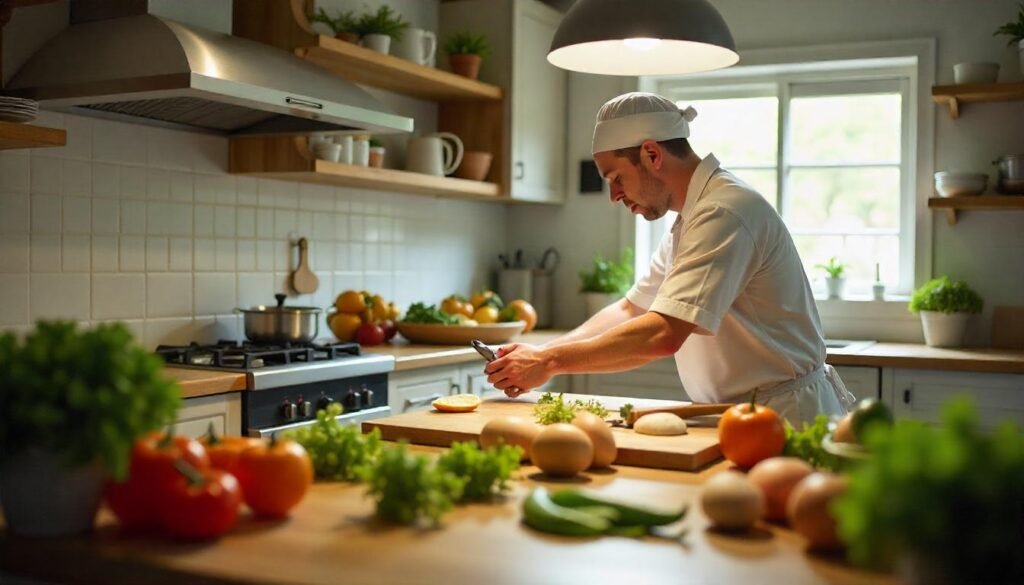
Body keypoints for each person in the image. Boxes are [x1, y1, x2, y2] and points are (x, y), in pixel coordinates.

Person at [484, 92, 855, 425]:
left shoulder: (724, 211)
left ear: (652, 154)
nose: (614, 196)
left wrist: (549, 362)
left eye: (616, 178)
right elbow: (632, 309)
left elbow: (663, 333)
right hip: (741, 415)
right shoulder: (690, 219)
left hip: (785, 419)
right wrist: (541, 353)